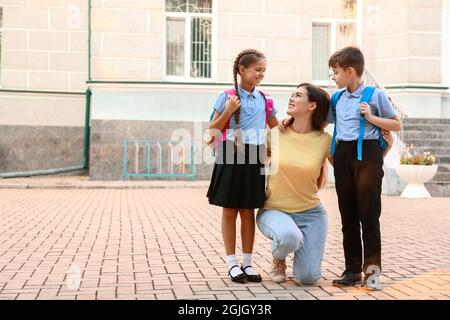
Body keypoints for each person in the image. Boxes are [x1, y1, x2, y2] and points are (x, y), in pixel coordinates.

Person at [327, 47, 401, 290]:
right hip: (343, 155)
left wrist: (371, 118)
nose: (333, 78)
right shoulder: (337, 98)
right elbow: (321, 120)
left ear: (350, 71)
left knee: (369, 216)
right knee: (348, 217)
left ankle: (372, 272)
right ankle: (351, 271)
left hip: (368, 154)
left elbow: (396, 124)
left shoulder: (374, 95)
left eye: (335, 72)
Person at [206, 49, 279, 283]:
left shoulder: (265, 99)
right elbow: (212, 131)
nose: (261, 74)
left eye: (264, 70)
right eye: (258, 70)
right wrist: (228, 109)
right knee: (230, 210)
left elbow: (278, 127)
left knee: (248, 210)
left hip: (255, 155)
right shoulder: (226, 95)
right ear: (242, 71)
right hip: (230, 153)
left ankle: (247, 263)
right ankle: (232, 264)